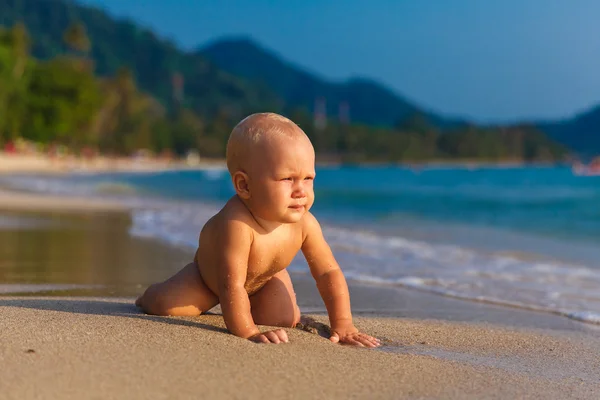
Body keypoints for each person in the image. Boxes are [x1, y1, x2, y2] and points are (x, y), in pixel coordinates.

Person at [135, 112, 381, 347]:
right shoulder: (237, 224)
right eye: (287, 179)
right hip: (210, 281)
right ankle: (148, 296)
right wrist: (248, 331)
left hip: (263, 281)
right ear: (244, 185)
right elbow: (231, 285)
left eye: (308, 178)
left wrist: (343, 323)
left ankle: (281, 308)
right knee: (169, 307)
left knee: (283, 319)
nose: (301, 190)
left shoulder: (305, 223)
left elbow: (328, 272)